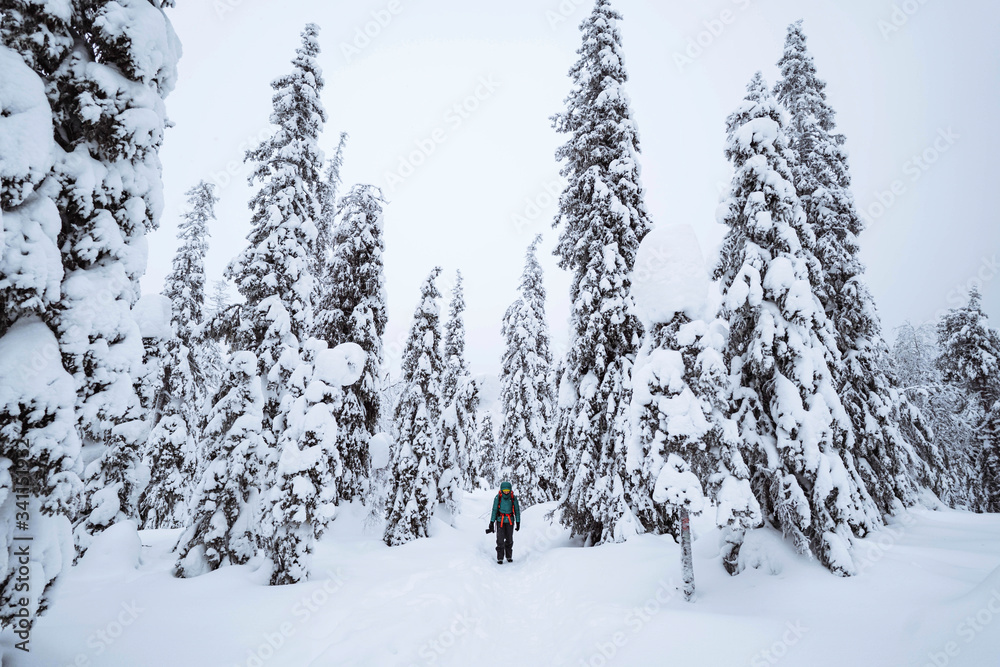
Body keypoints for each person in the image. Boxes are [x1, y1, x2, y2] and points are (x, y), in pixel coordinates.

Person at [485, 481, 520, 564]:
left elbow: (517, 510)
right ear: (501, 490)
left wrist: (518, 522)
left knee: (509, 539)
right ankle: (500, 557)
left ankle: (509, 556)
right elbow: (494, 510)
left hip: (510, 521)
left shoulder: (513, 498)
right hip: (500, 520)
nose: (506, 492)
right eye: (505, 490)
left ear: (510, 490)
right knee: (500, 539)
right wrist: (491, 522)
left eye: (508, 490)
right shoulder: (498, 498)